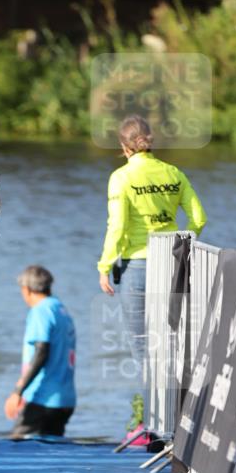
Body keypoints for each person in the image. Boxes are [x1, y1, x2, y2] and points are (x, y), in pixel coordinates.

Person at [97, 115, 207, 377]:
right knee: (172, 344)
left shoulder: (121, 177)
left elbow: (118, 225)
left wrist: (104, 266)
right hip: (172, 263)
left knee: (142, 348)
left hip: (137, 267)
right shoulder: (174, 173)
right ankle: (177, 411)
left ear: (124, 147)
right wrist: (180, 245)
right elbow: (199, 219)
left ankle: (152, 415)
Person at [5, 265, 76, 439]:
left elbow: (41, 352)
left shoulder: (40, 311)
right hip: (65, 399)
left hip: (43, 398)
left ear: (26, 289)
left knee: (16, 447)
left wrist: (18, 391)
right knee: (50, 452)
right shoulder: (61, 310)